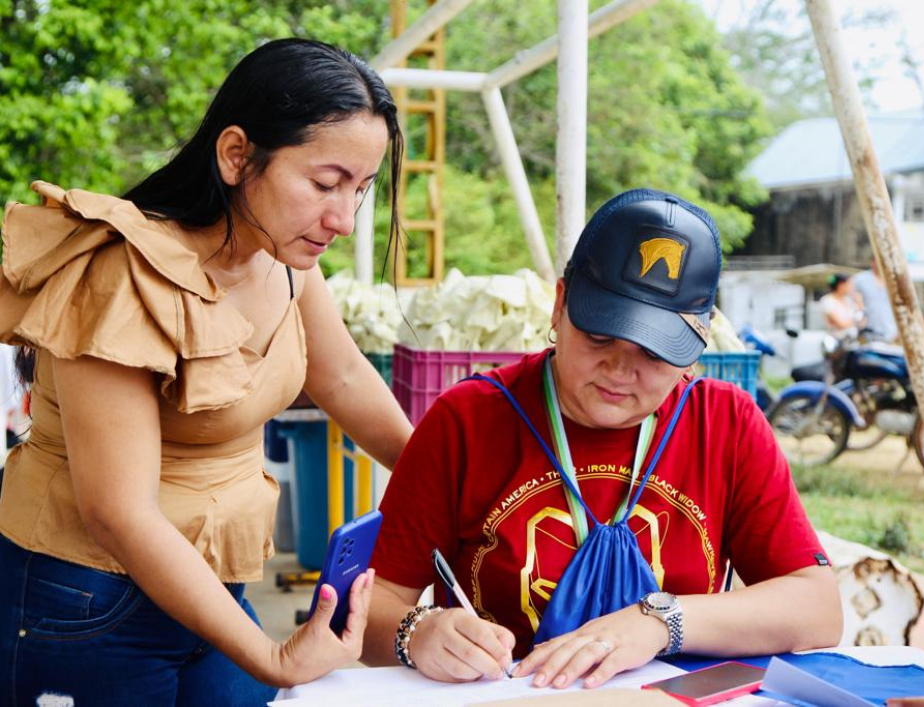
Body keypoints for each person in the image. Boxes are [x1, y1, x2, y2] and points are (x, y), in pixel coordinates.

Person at [0, 38, 413, 705]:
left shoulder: (283, 260)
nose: (342, 219)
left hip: (214, 585)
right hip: (85, 595)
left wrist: (453, 486)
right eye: (325, 183)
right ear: (236, 155)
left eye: (360, 190)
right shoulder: (125, 274)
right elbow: (119, 512)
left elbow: (342, 379)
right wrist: (274, 657)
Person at [361, 189, 842, 688]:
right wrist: (416, 632)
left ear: (697, 346)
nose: (619, 370)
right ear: (560, 305)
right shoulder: (467, 422)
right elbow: (365, 608)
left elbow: (817, 607)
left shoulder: (726, 423)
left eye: (654, 353)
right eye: (598, 336)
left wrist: (661, 622)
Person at [852, 256, 899, 343]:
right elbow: (852, 302)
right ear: (872, 262)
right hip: (867, 329)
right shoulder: (860, 279)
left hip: (890, 329)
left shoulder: (893, 280)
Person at [819, 273, 865, 340]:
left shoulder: (848, 300)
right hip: (837, 342)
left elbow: (863, 323)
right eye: (849, 284)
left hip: (852, 341)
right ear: (841, 285)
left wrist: (860, 306)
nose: (851, 288)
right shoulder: (827, 300)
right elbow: (841, 325)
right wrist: (856, 322)